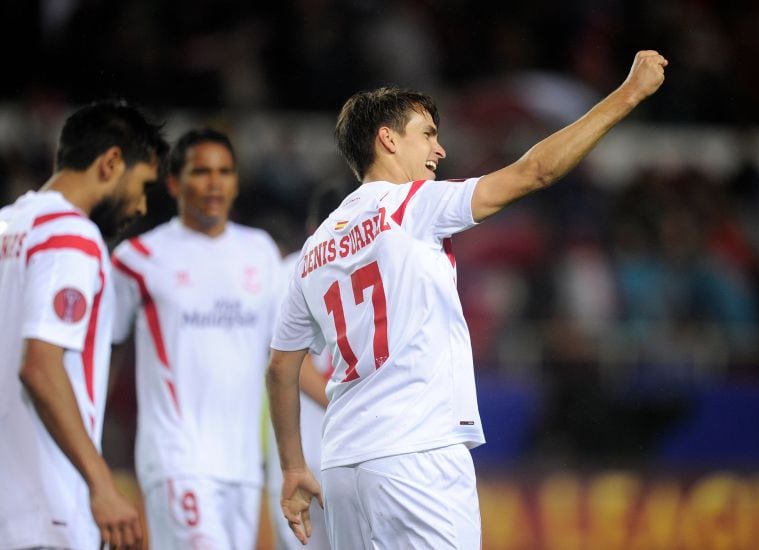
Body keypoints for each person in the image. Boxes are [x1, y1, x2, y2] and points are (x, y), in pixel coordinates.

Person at [267, 50, 668, 548]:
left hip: (343, 463)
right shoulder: (411, 205)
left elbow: (280, 367)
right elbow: (535, 172)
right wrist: (628, 95)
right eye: (428, 134)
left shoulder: (315, 249)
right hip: (417, 454)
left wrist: (292, 468)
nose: (440, 149)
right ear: (387, 139)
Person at [0, 100, 167, 549]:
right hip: (45, 512)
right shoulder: (70, 235)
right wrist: (102, 484)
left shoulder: (6, 226)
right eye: (143, 185)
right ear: (111, 162)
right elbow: (39, 366)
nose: (141, 204)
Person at [111, 128, 283, 548]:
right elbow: (106, 353)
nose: (214, 183)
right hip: (176, 457)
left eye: (224, 171)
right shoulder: (138, 258)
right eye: (201, 171)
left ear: (237, 181)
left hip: (244, 465)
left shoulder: (260, 251)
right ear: (173, 183)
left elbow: (281, 355)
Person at [266, 188, 345, 550]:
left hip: (301, 451)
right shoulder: (374, 265)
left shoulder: (287, 272)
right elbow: (293, 369)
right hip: (347, 448)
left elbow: (287, 366)